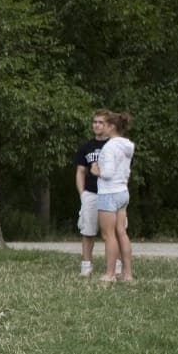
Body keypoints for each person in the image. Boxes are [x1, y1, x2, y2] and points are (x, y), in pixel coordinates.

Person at [91, 111, 134, 283]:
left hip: (108, 193)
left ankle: (110, 275)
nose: (101, 127)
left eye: (105, 124)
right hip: (122, 191)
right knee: (121, 232)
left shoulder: (109, 147)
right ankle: (127, 274)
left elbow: (107, 173)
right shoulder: (127, 145)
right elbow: (126, 171)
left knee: (108, 235)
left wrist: (96, 171)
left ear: (112, 127)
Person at [73, 110, 112, 277]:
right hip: (91, 194)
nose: (97, 125)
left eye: (101, 122)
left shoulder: (114, 145)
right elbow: (80, 171)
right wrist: (82, 194)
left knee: (111, 232)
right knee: (87, 231)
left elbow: (124, 171)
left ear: (109, 125)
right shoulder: (86, 147)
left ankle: (115, 265)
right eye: (95, 122)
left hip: (110, 193)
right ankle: (86, 265)